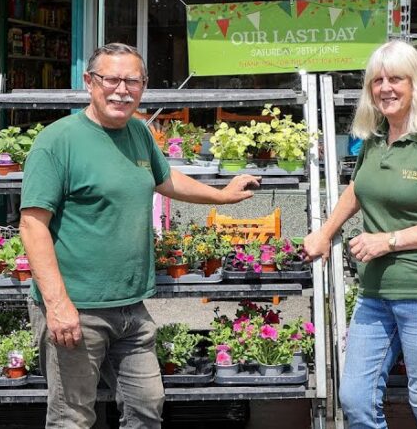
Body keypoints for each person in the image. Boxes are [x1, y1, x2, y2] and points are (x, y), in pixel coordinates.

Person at [19, 43, 260, 429]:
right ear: (89, 82)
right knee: (72, 418)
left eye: (132, 81)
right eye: (111, 79)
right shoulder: (57, 142)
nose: (122, 90)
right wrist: (58, 304)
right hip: (77, 309)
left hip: (132, 309)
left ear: (143, 85)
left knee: (146, 408)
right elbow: (32, 225)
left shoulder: (137, 132)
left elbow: (164, 179)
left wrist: (222, 195)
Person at [303, 40, 417, 429]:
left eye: (395, 79)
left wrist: (390, 240)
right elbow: (357, 188)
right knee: (355, 399)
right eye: (376, 81)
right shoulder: (376, 137)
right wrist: (324, 233)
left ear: (416, 83)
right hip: (377, 292)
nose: (385, 88)